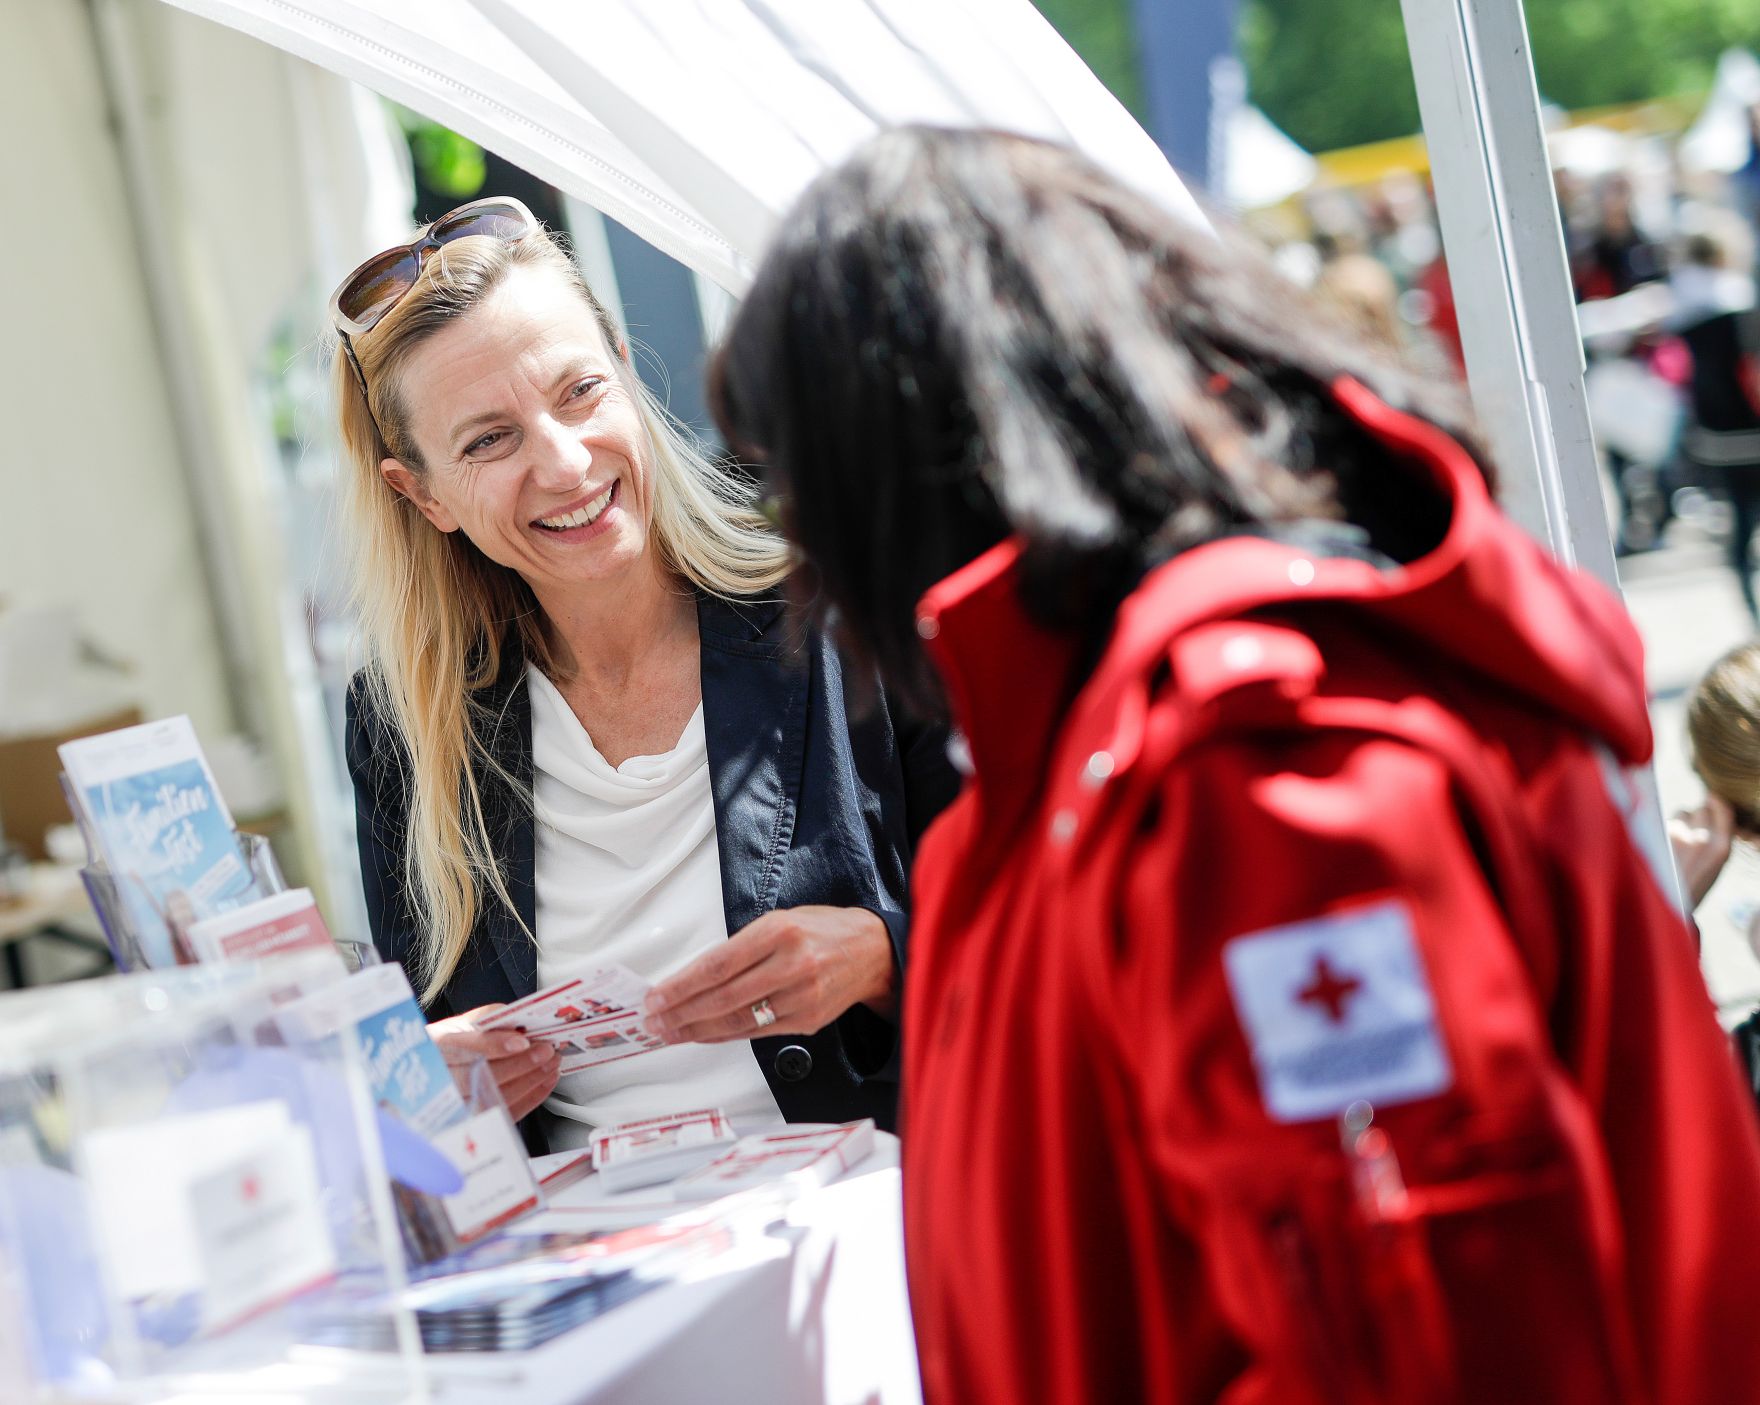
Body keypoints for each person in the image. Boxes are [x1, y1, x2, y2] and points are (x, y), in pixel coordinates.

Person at [710, 128, 1760, 1404]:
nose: (793, 550)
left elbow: (1426, 1337)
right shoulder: (1135, 733)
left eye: (788, 487)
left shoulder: (1247, 764)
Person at [333, 198, 956, 1151]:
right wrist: (422, 1079)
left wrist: (883, 958)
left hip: (882, 1217)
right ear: (422, 495)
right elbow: (418, 1086)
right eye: (488, 439)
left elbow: (1054, 926)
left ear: (625, 367)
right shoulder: (403, 722)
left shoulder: (848, 603)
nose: (565, 461)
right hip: (597, 1267)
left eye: (579, 391)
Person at [1669, 220, 1760, 621]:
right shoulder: (1741, 301)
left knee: (1739, 525)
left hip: (1716, 438)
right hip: (1754, 431)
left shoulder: (1678, 309)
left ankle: (1752, 615)